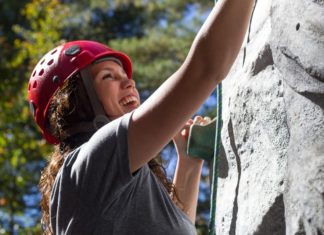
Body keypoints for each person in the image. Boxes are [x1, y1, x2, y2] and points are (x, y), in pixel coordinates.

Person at [28, 0, 255, 234]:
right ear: (76, 101)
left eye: (124, 74)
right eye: (108, 77)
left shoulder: (102, 182)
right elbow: (203, 69)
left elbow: (166, 225)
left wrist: (188, 164)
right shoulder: (90, 164)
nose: (129, 81)